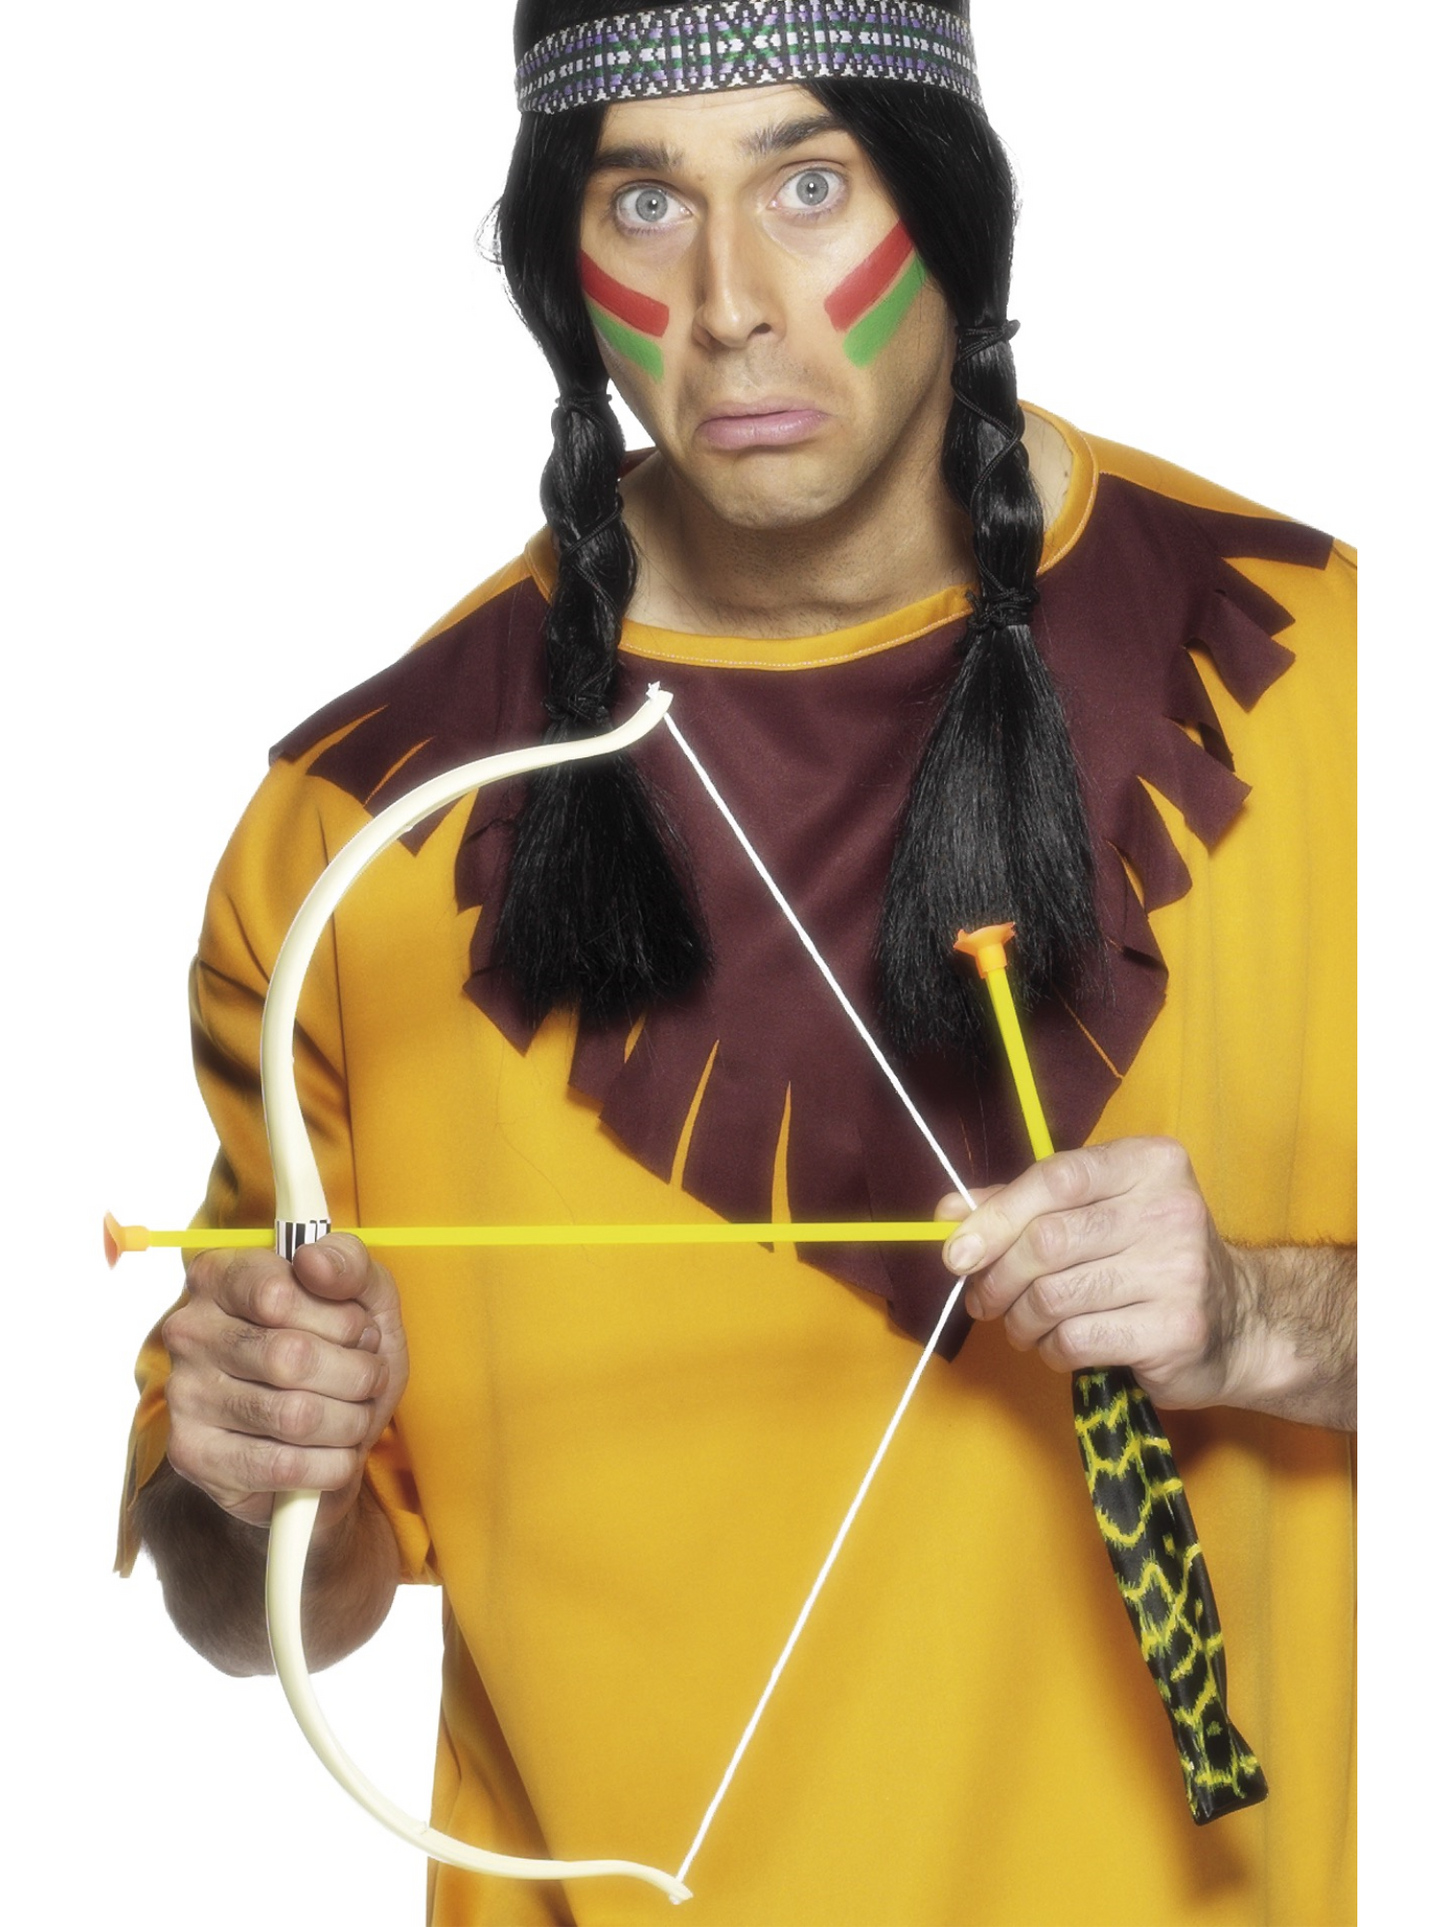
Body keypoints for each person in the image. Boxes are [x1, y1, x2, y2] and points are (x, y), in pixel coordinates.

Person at [118, 4, 1355, 1923]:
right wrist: (262, 1470)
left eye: (807, 183)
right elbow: (264, 1600)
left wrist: (1267, 1317)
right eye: (644, 202)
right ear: (561, 261)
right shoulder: (363, 824)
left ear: (948, 205)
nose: (730, 307)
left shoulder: (1329, 674)